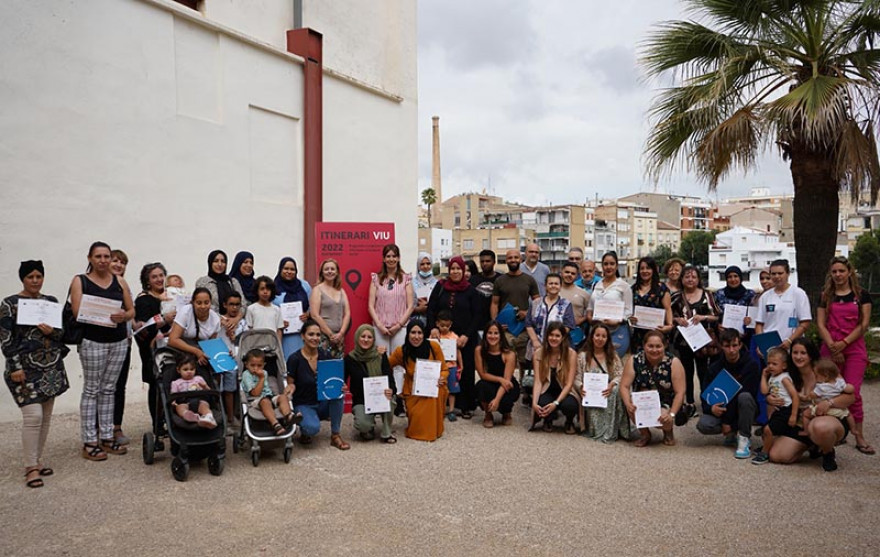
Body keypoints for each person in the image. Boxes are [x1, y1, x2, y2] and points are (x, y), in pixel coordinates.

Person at [1, 260, 70, 487]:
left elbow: (62, 333)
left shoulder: (50, 302)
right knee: (33, 417)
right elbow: (6, 339)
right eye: (30, 277)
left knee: (46, 418)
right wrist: (14, 367)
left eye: (38, 276)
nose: (35, 281)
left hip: (50, 367)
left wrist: (53, 331)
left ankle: (37, 461)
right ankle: (30, 468)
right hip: (23, 368)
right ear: (23, 278)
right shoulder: (10, 304)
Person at [69, 242, 135, 461]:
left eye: (107, 256)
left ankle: (107, 437)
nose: (103, 260)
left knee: (109, 389)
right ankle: (89, 441)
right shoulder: (80, 281)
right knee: (91, 390)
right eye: (98, 256)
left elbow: (130, 310)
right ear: (90, 258)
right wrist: (100, 312)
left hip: (118, 342)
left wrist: (123, 317)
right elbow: (78, 311)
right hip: (92, 341)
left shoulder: (119, 281)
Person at [766, 338, 853, 471]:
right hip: (801, 424)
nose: (798, 357)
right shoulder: (787, 374)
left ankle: (827, 452)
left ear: (811, 354)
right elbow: (773, 390)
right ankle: (812, 445)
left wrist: (829, 402)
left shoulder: (824, 369)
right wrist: (769, 398)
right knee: (777, 456)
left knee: (820, 427)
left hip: (829, 417)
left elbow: (851, 397)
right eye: (795, 353)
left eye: (803, 353)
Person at [816, 256, 874, 454]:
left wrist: (844, 344)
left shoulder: (862, 295)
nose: (838, 275)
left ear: (849, 272)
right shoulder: (826, 296)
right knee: (826, 390)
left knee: (852, 392)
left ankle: (859, 435)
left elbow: (864, 324)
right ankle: (836, 432)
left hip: (853, 347)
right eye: (834, 272)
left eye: (841, 271)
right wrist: (833, 346)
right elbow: (821, 324)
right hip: (830, 347)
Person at [427, 256, 480, 418]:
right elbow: (431, 309)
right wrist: (433, 328)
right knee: (443, 369)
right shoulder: (440, 286)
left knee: (464, 370)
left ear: (463, 271)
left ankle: (464, 406)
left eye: (458, 269)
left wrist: (466, 336)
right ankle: (442, 404)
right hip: (443, 338)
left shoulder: (471, 290)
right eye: (452, 269)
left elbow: (477, 315)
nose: (455, 272)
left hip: (463, 339)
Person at [696, 329, 760, 459]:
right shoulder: (714, 368)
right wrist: (711, 408)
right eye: (727, 346)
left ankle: (744, 437)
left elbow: (749, 394)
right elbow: (705, 395)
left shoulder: (751, 365)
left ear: (740, 345)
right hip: (723, 410)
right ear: (721, 346)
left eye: (735, 345)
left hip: (743, 409)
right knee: (703, 424)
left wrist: (727, 423)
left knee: (745, 397)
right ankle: (731, 435)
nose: (731, 350)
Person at [286, 320, 350, 450]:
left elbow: (333, 380)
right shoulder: (294, 359)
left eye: (318, 335)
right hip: (304, 403)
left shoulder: (325, 355)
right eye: (311, 334)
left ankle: (335, 435)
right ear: (302, 336)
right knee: (312, 429)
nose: (315, 338)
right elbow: (290, 383)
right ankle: (305, 431)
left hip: (322, 402)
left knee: (338, 394)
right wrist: (290, 388)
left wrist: (340, 386)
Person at [620, 330, 686, 447]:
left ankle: (668, 431)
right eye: (650, 346)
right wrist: (628, 404)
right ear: (644, 346)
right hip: (641, 399)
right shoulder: (634, 360)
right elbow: (624, 386)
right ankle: (645, 434)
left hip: (665, 402)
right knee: (630, 404)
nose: (654, 350)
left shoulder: (673, 362)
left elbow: (680, 392)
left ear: (664, 346)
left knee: (664, 418)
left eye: (658, 346)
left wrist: (672, 414)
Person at [671, 265, 720, 417]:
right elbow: (668, 316)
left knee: (704, 371)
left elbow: (717, 316)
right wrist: (677, 319)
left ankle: (706, 402)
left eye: (693, 277)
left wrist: (703, 317)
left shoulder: (707, 295)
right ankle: (689, 402)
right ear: (682, 279)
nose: (690, 279)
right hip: (684, 341)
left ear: (699, 279)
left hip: (702, 341)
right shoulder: (676, 297)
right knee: (686, 372)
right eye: (687, 277)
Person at [388, 321, 449, 441]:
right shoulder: (402, 351)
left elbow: (444, 369)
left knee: (439, 391)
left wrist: (441, 377)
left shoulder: (433, 347)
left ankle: (433, 429)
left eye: (420, 333)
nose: (416, 337)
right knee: (417, 426)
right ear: (408, 333)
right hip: (413, 391)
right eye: (413, 332)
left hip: (432, 389)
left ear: (424, 333)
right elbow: (387, 365)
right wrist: (391, 385)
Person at [133, 262, 176, 429]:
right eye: (154, 277)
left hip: (171, 345)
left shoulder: (171, 295)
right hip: (153, 349)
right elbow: (144, 329)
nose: (159, 279)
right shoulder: (144, 300)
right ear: (147, 280)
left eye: (161, 275)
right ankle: (157, 424)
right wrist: (164, 320)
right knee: (156, 386)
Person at [490, 249, 540, 380]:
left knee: (525, 361)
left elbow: (537, 303)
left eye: (516, 258)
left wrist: (528, 314)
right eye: (510, 258)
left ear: (521, 260)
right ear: (506, 261)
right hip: (505, 329)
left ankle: (525, 388)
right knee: (505, 359)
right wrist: (496, 324)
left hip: (524, 328)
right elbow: (494, 303)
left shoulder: (529, 280)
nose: (513, 260)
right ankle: (507, 384)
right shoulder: (500, 280)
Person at [576, 324, 630, 443]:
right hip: (590, 393)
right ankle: (596, 429)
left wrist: (611, 385)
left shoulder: (613, 356)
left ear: (607, 339)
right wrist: (580, 387)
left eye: (604, 336)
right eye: (597, 335)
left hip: (608, 390)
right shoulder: (582, 357)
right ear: (591, 337)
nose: (600, 339)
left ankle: (611, 429)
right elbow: (576, 377)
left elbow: (620, 375)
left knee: (616, 391)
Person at [344, 324, 396, 443]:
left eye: (369, 337)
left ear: (373, 340)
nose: (366, 340)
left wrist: (391, 389)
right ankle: (368, 426)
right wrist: (342, 386)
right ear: (357, 337)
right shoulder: (350, 359)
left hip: (380, 397)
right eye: (363, 336)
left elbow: (390, 377)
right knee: (363, 426)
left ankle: (386, 432)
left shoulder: (380, 356)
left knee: (391, 399)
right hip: (361, 399)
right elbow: (342, 379)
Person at [752, 347, 801, 465]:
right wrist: (764, 376)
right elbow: (764, 391)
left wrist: (794, 415)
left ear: (784, 366)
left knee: (768, 430)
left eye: (774, 364)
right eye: (768, 363)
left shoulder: (784, 378)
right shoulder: (773, 377)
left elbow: (795, 396)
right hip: (778, 410)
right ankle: (767, 447)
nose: (770, 366)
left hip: (787, 409)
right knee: (767, 429)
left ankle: (764, 453)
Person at [530, 322, 579, 434]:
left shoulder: (571, 354)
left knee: (570, 405)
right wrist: (534, 403)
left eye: (557, 336)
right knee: (541, 403)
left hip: (565, 390)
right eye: (551, 335)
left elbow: (569, 383)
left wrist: (556, 403)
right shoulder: (538, 353)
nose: (554, 338)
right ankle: (548, 420)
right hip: (547, 389)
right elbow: (537, 381)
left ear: (563, 338)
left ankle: (569, 421)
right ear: (547, 336)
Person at [755, 259, 811, 354]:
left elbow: (805, 323)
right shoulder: (765, 296)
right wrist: (761, 343)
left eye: (780, 273)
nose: (777, 276)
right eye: (773, 274)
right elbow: (759, 323)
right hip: (770, 347)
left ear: (788, 273)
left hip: (792, 346)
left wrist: (790, 340)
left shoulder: (799, 294)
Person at [240, 348, 299, 435]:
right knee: (265, 401)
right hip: (255, 400)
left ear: (264, 365)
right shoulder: (246, 375)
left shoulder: (265, 373)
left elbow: (267, 391)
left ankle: (289, 416)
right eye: (252, 365)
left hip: (270, 397)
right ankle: (275, 424)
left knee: (283, 397)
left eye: (259, 365)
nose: (256, 368)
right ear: (246, 365)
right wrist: (261, 378)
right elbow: (255, 393)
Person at [368, 244, 414, 353]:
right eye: (388, 256)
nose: (391, 259)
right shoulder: (376, 279)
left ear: (398, 258)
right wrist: (380, 326)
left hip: (400, 329)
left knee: (399, 362)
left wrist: (398, 325)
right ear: (384, 259)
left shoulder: (406, 279)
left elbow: (411, 306)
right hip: (380, 329)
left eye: (394, 256)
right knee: (382, 361)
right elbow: (370, 306)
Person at [108, 249, 133, 445]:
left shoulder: (125, 286)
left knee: (119, 386)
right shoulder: (98, 286)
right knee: (101, 387)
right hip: (102, 341)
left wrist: (134, 322)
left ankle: (116, 426)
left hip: (124, 341)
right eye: (115, 260)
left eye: (122, 262)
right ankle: (100, 428)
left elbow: (129, 313)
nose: (118, 265)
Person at [587, 251, 633, 357]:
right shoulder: (596, 284)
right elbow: (590, 306)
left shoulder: (624, 286)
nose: (608, 267)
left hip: (617, 331)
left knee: (614, 364)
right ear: (602, 266)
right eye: (605, 264)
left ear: (616, 266)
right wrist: (590, 317)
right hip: (597, 331)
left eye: (612, 264)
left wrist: (616, 320)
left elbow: (629, 311)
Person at [475, 321, 520, 428]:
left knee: (506, 395)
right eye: (490, 333)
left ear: (501, 335)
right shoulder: (479, 350)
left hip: (506, 384)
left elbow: (507, 381)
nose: (493, 336)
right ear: (485, 335)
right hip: (489, 381)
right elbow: (482, 374)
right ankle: (488, 414)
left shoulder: (509, 354)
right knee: (481, 386)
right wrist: (500, 379)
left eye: (496, 333)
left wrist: (497, 400)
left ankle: (506, 412)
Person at [525, 273, 576, 363]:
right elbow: (529, 324)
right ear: (545, 286)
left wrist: (555, 339)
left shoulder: (566, 304)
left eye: (556, 284)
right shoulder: (536, 303)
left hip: (558, 346)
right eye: (550, 283)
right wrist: (535, 341)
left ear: (560, 286)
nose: (553, 286)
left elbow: (568, 326)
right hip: (537, 345)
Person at [629, 256, 673, 351]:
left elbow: (668, 308)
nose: (645, 271)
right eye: (642, 268)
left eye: (648, 268)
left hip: (657, 335)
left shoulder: (661, 288)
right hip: (639, 336)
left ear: (654, 270)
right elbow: (629, 311)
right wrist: (631, 319)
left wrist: (669, 326)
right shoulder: (633, 289)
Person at [310, 258, 351, 359]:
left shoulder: (341, 291)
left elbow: (347, 314)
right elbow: (314, 314)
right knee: (325, 368)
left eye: (332, 269)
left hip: (339, 338)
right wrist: (330, 334)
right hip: (323, 337)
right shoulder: (317, 290)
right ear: (322, 272)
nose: (329, 271)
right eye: (326, 269)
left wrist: (341, 333)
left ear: (337, 272)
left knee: (338, 369)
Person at [195, 250, 248, 322]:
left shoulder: (232, 282)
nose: (220, 264)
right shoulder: (203, 282)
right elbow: (203, 305)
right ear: (210, 263)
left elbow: (243, 304)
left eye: (223, 261)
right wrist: (222, 320)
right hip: (211, 323)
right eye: (216, 261)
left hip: (234, 324)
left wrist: (235, 320)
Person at [274, 257, 311, 358]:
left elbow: (311, 307)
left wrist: (307, 315)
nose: (289, 272)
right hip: (283, 334)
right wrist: (279, 321)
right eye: (286, 269)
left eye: (292, 269)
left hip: (301, 333)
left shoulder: (304, 285)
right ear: (280, 269)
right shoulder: (273, 287)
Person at [801, 358, 853, 432]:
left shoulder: (821, 387)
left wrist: (807, 395)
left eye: (816, 376)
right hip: (838, 409)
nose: (815, 378)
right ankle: (854, 429)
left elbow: (813, 395)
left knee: (806, 414)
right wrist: (849, 387)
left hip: (824, 409)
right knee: (849, 415)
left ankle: (806, 431)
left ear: (825, 376)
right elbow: (850, 389)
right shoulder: (839, 382)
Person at [169, 354, 218, 429]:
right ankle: (190, 416)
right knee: (179, 408)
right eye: (185, 369)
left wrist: (205, 386)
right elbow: (173, 395)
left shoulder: (199, 379)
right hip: (184, 402)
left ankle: (208, 417)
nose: (189, 372)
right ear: (178, 370)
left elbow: (209, 392)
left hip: (200, 400)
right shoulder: (176, 383)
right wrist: (173, 401)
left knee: (204, 406)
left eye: (192, 369)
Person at [433, 309, 462, 421]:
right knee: (440, 388)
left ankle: (451, 410)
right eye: (442, 325)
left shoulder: (454, 337)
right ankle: (441, 409)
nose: (444, 328)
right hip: (438, 367)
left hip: (452, 366)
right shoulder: (435, 336)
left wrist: (461, 365)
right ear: (437, 324)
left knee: (452, 390)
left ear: (451, 324)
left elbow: (458, 351)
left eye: (447, 325)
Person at [245, 276, 285, 344]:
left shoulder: (276, 309)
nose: (265, 292)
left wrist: (278, 346)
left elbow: (279, 330)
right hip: (256, 346)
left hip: (272, 346)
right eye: (262, 289)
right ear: (257, 291)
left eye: (268, 289)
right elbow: (249, 329)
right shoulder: (251, 309)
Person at [559, 262, 590, 346]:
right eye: (567, 272)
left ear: (577, 276)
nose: (569, 275)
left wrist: (582, 319)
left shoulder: (584, 294)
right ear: (561, 272)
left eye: (573, 273)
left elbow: (591, 312)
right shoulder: (554, 291)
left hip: (576, 333)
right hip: (556, 333)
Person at [470, 249, 499, 332]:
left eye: (488, 261)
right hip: (476, 324)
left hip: (495, 324)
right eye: (482, 261)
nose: (484, 264)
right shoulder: (473, 280)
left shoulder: (501, 279)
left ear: (494, 262)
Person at [412, 251, 438, 327]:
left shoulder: (437, 283)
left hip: (433, 323)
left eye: (428, 263)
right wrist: (417, 309)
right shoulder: (411, 283)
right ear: (418, 266)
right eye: (422, 264)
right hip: (415, 322)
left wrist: (428, 307)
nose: (425, 266)